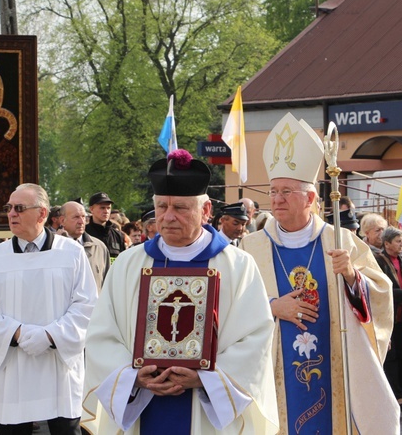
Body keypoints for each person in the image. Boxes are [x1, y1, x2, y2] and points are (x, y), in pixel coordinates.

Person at [82, 149, 278, 434]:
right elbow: (102, 335)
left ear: (206, 210)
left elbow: (256, 339)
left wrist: (205, 379)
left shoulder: (237, 266)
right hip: (145, 408)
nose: (168, 217)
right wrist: (134, 376)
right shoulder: (129, 264)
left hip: (206, 412)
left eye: (180, 208)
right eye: (162, 207)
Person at [240, 113, 397, 434]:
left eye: (286, 191)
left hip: (334, 364)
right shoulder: (250, 247)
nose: (276, 199)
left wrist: (353, 277)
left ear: (310, 198)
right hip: (273, 373)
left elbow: (381, 295)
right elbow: (230, 307)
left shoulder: (341, 241)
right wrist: (272, 307)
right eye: (272, 191)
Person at [0, 184, 97, 434]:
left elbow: (87, 305)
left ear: (42, 214)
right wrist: (17, 333)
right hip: (15, 368)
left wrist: (49, 336)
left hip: (58, 367)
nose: (11, 214)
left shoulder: (71, 253)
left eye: (19, 208)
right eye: (9, 208)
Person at [374, 227, 402, 409]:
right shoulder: (378, 261)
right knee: (392, 357)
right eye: (398, 241)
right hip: (388, 316)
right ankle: (395, 394)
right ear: (387, 243)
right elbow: (382, 287)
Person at [60, 200, 110, 292]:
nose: (81, 221)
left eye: (83, 217)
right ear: (62, 220)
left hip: (95, 305)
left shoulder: (99, 247)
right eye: (76, 217)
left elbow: (108, 284)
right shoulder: (53, 247)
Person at [85, 192, 126, 259]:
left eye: (108, 208)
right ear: (92, 209)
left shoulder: (118, 235)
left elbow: (122, 260)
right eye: (102, 208)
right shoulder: (84, 233)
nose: (106, 211)